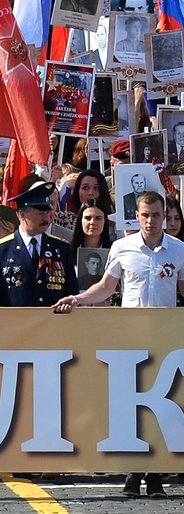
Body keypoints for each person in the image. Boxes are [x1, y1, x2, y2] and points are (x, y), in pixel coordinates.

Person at [53, 189, 182, 496]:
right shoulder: (123, 247)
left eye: (156, 215)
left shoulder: (177, 249)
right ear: (136, 217)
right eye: (145, 215)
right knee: (130, 404)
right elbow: (106, 288)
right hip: (128, 336)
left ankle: (155, 474)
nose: (151, 221)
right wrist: (78, 298)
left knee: (160, 404)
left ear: (165, 216)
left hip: (164, 336)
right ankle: (134, 471)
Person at [0, 181, 73, 308]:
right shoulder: (1, 250)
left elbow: (71, 292)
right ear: (22, 215)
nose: (46, 218)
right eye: (40, 213)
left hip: (52, 323)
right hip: (15, 324)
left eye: (47, 212)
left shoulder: (61, 248)